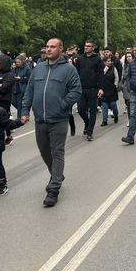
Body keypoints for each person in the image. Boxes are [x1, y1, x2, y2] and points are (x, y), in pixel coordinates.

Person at [21, 38, 82, 207]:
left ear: (60, 49)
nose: (48, 49)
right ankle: (57, 174)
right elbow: (29, 91)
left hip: (59, 119)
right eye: (47, 47)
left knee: (57, 152)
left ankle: (54, 189)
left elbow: (76, 91)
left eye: (52, 47)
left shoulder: (68, 69)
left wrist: (62, 105)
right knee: (44, 151)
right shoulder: (38, 68)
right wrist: (25, 111)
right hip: (40, 119)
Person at [74, 40, 105, 141]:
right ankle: (87, 123)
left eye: (88, 46)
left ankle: (90, 131)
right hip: (82, 88)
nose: (86, 47)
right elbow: (76, 73)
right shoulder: (80, 59)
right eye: (85, 46)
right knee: (81, 109)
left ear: (93, 48)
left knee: (92, 110)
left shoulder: (97, 60)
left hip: (93, 88)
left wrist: (100, 88)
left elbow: (100, 74)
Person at [99, 55, 120, 125]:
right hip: (104, 89)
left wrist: (115, 85)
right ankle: (104, 120)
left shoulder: (113, 68)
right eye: (108, 61)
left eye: (110, 61)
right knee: (104, 105)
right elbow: (101, 77)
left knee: (113, 104)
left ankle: (116, 115)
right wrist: (105, 69)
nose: (110, 62)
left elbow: (116, 77)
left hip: (112, 89)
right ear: (104, 62)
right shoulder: (101, 68)